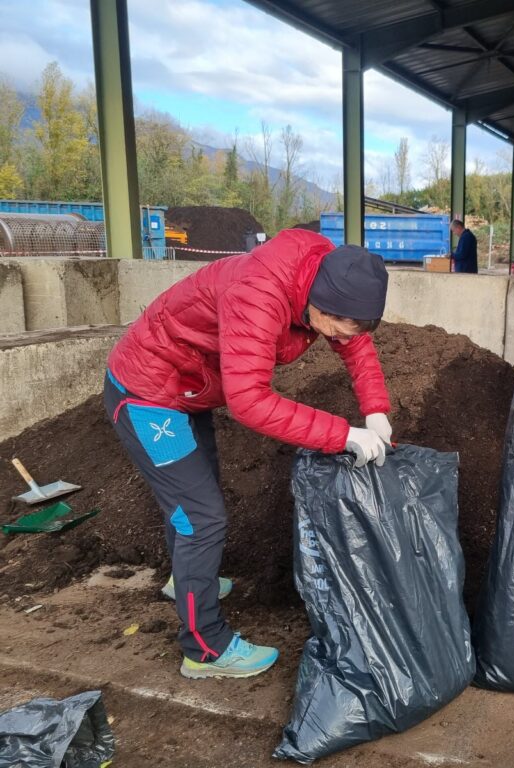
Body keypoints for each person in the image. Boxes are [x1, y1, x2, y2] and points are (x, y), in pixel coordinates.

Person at [104, 231, 393, 679]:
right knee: (201, 516)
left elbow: (354, 343)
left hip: (187, 390)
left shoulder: (327, 281)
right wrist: (342, 434)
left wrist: (376, 410)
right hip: (148, 395)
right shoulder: (260, 294)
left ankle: (187, 582)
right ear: (320, 301)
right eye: (337, 326)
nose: (340, 338)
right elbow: (249, 401)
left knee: (194, 500)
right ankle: (205, 649)